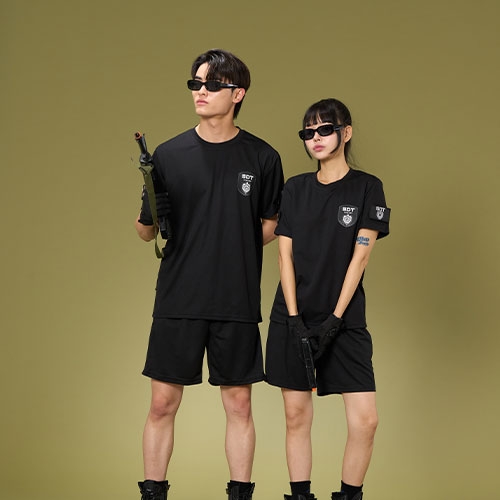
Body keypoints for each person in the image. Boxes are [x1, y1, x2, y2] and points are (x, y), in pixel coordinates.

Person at [135, 49, 284, 500]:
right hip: (178, 296)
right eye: (195, 84)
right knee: (162, 403)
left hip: (236, 298)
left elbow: (272, 224)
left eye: (212, 85)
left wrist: (231, 241)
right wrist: (154, 212)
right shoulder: (168, 154)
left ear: (238, 94)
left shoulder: (263, 157)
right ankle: (153, 493)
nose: (201, 92)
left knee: (239, 404)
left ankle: (239, 494)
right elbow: (145, 232)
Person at [265, 98, 390, 500]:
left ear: (345, 133)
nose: (315, 138)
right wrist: (295, 319)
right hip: (293, 316)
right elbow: (284, 255)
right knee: (296, 416)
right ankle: (300, 495)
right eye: (308, 132)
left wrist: (335, 319)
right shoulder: (295, 188)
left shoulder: (367, 187)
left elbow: (360, 257)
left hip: (344, 320)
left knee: (365, 421)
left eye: (324, 129)